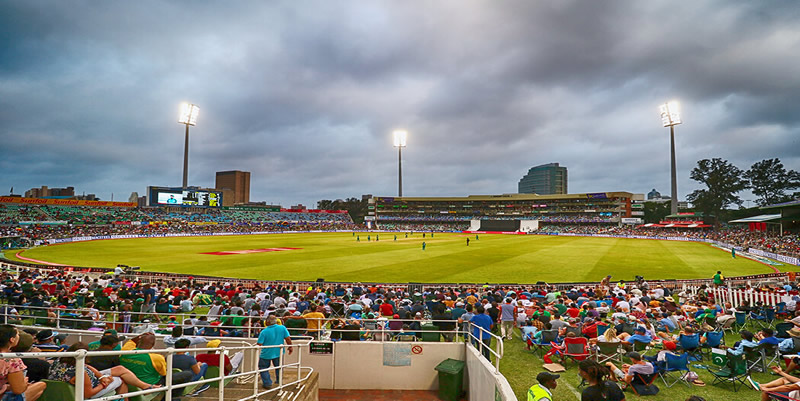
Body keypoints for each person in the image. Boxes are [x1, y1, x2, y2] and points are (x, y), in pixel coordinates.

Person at [48, 342, 124, 399]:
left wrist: (101, 377)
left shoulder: (58, 362)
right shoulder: (80, 372)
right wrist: (104, 384)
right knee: (121, 380)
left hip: (59, 392)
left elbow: (86, 366)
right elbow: (88, 394)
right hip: (90, 391)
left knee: (120, 370)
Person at [0, 325, 46, 401]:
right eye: (17, 334)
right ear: (12, 339)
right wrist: (23, 383)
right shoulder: (12, 360)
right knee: (41, 386)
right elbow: (18, 390)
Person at [256, 315, 293, 389]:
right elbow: (288, 339)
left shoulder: (264, 331)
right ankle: (279, 381)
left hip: (266, 353)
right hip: (279, 352)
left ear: (267, 322)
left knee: (263, 368)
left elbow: (259, 343)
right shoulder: (282, 328)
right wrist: (290, 346)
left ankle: (267, 383)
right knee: (279, 367)